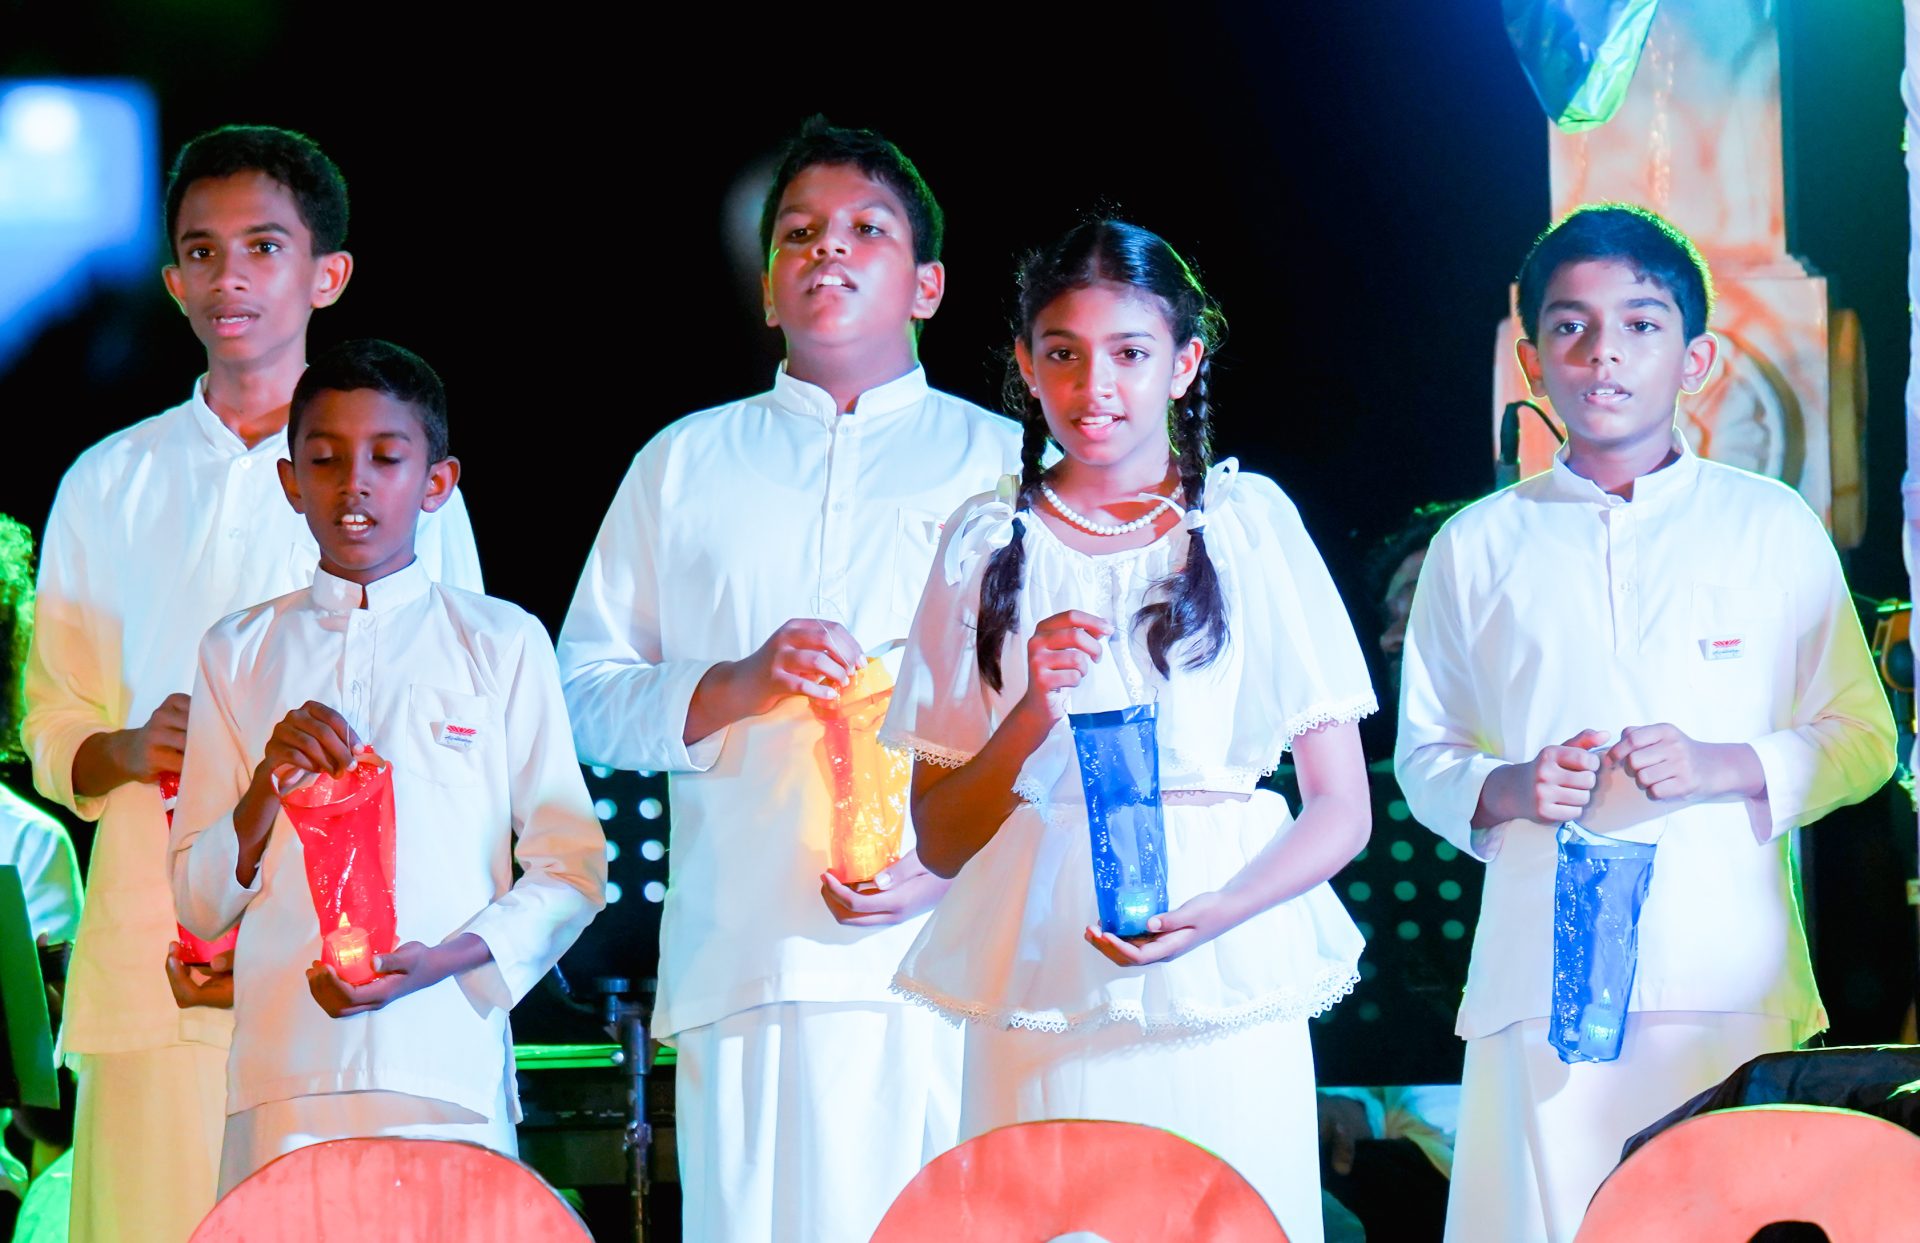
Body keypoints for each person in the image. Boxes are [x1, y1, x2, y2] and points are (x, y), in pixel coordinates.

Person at [1394, 203, 1897, 1243]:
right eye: (1571, 328)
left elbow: (1866, 737)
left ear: (1697, 356)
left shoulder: (1771, 524)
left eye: (1640, 323)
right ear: (1532, 363)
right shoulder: (1478, 547)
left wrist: (1728, 763)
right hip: (1539, 979)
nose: (1604, 354)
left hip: (1727, 973)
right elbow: (1427, 756)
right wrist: (1516, 785)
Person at [555, 118, 1019, 1243]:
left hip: (953, 957)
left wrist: (941, 863)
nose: (831, 250)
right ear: (767, 288)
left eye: (869, 229)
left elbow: (1051, 711)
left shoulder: (1004, 463)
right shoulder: (682, 463)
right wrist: (738, 680)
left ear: (929, 285)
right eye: (801, 233)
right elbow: (583, 688)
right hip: (749, 953)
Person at [21, 125, 482, 1243]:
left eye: (264, 247)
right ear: (173, 278)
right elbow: (53, 730)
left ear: (327, 274)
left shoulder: (392, 466)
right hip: (149, 960)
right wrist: (136, 745)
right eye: (203, 250)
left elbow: (450, 717)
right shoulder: (108, 481)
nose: (232, 278)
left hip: (333, 968)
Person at [881, 219, 1375, 1241]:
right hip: (1047, 969)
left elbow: (1342, 809)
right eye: (1062, 352)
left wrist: (1223, 909)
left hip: (1219, 971)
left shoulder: (1246, 525)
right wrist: (1028, 715)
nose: (1093, 385)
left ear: (1185, 363)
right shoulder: (985, 541)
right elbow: (937, 833)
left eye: (1130, 353)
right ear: (1025, 362)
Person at [168, 339, 604, 1193]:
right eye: (324, 459)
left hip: (445, 1067)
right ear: (291, 484)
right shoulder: (238, 651)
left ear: (436, 482)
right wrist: (266, 788)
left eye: (386, 458)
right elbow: (199, 898)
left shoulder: (501, 640)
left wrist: (446, 960)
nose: (352, 483)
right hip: (283, 1074)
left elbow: (572, 866)